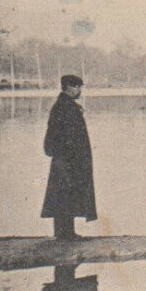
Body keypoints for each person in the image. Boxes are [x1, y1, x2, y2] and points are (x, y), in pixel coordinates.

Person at [41, 74, 96, 240]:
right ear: (68, 87)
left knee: (64, 193)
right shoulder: (65, 107)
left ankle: (65, 232)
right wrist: (68, 156)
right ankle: (64, 234)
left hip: (66, 158)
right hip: (67, 159)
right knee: (64, 193)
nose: (80, 90)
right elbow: (60, 136)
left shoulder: (64, 106)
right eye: (78, 87)